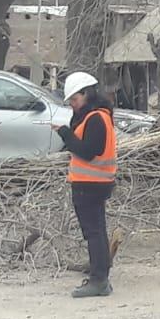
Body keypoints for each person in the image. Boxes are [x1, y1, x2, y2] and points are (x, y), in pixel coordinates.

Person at [53, 72, 118, 298]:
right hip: (96, 182)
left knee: (93, 233)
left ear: (87, 93)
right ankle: (101, 277)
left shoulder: (95, 118)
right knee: (97, 231)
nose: (72, 104)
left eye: (75, 99)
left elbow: (88, 151)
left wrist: (65, 134)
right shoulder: (97, 115)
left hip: (90, 183)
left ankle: (98, 279)